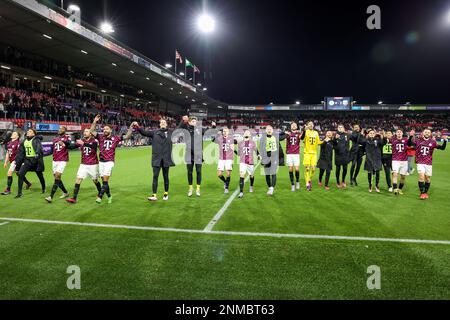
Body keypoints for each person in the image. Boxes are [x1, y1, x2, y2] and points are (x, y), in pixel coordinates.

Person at [90, 115, 133, 204]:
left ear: (110, 130)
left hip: (109, 161)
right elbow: (92, 131)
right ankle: (109, 196)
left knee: (105, 180)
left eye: (106, 129)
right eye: (104, 129)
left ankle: (100, 197)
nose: (104, 130)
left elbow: (127, 136)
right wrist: (95, 121)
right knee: (104, 182)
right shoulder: (100, 137)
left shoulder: (116, 138)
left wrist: (131, 127)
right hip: (101, 161)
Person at [132, 119, 175, 202]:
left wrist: (183, 122)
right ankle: (154, 195)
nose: (162, 123)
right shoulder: (154, 132)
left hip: (166, 158)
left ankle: (166, 193)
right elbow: (144, 132)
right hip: (157, 159)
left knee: (166, 177)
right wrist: (137, 126)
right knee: (155, 176)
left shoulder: (170, 132)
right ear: (159, 124)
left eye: (164, 122)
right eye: (161, 122)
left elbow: (179, 129)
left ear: (166, 125)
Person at [179, 116, 216, 197]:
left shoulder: (200, 129)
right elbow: (179, 128)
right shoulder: (186, 129)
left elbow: (209, 132)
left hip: (198, 154)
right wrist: (183, 120)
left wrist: (213, 126)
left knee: (198, 171)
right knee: (189, 172)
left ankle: (198, 188)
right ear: (189, 122)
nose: (194, 122)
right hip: (189, 154)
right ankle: (190, 188)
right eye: (192, 121)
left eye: (195, 121)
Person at [408, 129, 447, 200]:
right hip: (420, 162)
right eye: (425, 132)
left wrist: (444, 141)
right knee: (421, 176)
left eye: (428, 132)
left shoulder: (433, 142)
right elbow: (409, 144)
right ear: (423, 133)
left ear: (430, 134)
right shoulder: (418, 140)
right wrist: (411, 136)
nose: (427, 133)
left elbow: (442, 148)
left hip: (428, 163)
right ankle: (422, 193)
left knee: (428, 178)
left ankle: (425, 192)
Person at [66, 129, 102, 204]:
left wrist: (83, 143)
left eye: (87, 131)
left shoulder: (94, 141)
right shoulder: (82, 140)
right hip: (83, 164)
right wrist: (65, 144)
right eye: (84, 131)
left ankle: (100, 193)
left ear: (91, 133)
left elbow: (93, 147)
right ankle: (74, 198)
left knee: (95, 180)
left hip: (93, 164)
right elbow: (72, 146)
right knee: (78, 179)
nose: (85, 133)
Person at [14, 129, 46, 199]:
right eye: (28, 131)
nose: (28, 132)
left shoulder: (36, 139)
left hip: (36, 161)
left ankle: (43, 188)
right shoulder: (24, 141)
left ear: (34, 134)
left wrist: (37, 153)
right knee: (20, 174)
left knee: (40, 175)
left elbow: (38, 148)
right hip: (27, 161)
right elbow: (21, 154)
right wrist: (17, 166)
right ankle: (19, 193)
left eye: (30, 131)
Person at [45, 126, 73, 203]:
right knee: (57, 178)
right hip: (55, 160)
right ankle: (65, 192)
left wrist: (63, 142)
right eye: (59, 129)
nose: (60, 130)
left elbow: (69, 144)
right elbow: (51, 150)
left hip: (63, 160)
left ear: (65, 131)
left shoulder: (67, 137)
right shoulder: (54, 139)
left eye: (62, 129)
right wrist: (43, 154)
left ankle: (51, 196)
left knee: (57, 176)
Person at [1, 131, 31, 195]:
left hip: (16, 161)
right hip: (12, 161)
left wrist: (20, 161)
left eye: (14, 134)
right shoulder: (9, 143)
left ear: (17, 136)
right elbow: (7, 153)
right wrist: (6, 162)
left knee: (9, 173)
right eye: (13, 133)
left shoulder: (18, 143)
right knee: (18, 173)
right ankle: (28, 183)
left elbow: (21, 153)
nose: (13, 134)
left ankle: (8, 189)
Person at [260, 125, 286, 196]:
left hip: (274, 156)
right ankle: (270, 187)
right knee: (267, 174)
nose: (269, 130)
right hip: (266, 156)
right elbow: (261, 148)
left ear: (272, 130)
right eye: (268, 129)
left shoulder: (276, 136)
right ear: (266, 130)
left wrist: (285, 132)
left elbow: (283, 136)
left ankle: (271, 188)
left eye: (270, 129)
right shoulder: (263, 138)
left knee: (273, 173)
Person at [235, 130, 259, 198]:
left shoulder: (253, 143)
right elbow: (239, 154)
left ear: (250, 135)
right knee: (241, 175)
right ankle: (241, 192)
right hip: (242, 162)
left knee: (251, 175)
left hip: (250, 162)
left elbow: (256, 150)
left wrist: (258, 155)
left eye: (248, 132)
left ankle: (251, 186)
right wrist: (234, 150)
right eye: (245, 132)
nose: (246, 133)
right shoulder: (240, 143)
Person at [301, 121, 323, 191]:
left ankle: (309, 179)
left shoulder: (316, 133)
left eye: (312, 124)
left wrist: (325, 140)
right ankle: (307, 183)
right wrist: (304, 130)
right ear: (307, 125)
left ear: (313, 125)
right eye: (309, 124)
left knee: (313, 169)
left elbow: (318, 142)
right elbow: (301, 138)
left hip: (314, 154)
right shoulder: (306, 132)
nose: (310, 125)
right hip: (307, 153)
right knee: (307, 168)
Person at [214, 127, 234, 194]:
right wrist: (217, 134)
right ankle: (225, 182)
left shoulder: (231, 139)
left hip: (229, 159)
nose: (225, 132)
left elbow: (232, 149)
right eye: (224, 131)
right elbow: (213, 140)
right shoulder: (220, 138)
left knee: (228, 173)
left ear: (228, 132)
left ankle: (226, 188)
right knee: (219, 174)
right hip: (221, 159)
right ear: (222, 132)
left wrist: (232, 160)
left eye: (226, 131)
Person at [391, 129, 409, 195]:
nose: (399, 133)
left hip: (404, 161)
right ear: (396, 133)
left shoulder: (406, 140)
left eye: (400, 132)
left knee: (403, 176)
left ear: (402, 133)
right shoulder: (392, 139)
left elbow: (412, 144)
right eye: (397, 132)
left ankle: (400, 189)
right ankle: (395, 189)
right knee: (395, 174)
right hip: (395, 160)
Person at [285, 122, 302, 191]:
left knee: (297, 169)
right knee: (290, 169)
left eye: (295, 125)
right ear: (291, 126)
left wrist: (303, 130)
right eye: (292, 125)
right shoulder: (288, 133)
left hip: (296, 153)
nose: (294, 126)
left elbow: (302, 137)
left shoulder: (299, 133)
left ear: (297, 126)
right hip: (289, 154)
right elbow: (283, 137)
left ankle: (297, 181)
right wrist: (286, 134)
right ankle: (292, 184)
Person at [333, 124, 351, 189]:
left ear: (344, 128)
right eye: (339, 127)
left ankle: (343, 180)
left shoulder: (347, 135)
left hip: (345, 155)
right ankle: (338, 181)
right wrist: (335, 139)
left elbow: (355, 137)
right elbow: (333, 144)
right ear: (337, 128)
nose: (340, 128)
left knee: (345, 169)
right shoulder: (335, 135)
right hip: (338, 155)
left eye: (341, 127)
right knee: (338, 169)